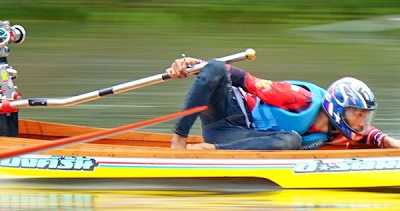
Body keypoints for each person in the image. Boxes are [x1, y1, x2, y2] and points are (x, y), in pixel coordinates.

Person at [166, 55, 400, 151]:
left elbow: (369, 134)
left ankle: (213, 150)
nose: (362, 122)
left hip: (237, 138)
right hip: (230, 113)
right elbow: (241, 78)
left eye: (365, 116)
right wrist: (195, 65)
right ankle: (180, 142)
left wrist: (388, 141)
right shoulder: (295, 96)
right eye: (358, 114)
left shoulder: (340, 130)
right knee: (215, 66)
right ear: (338, 108)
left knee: (291, 139)